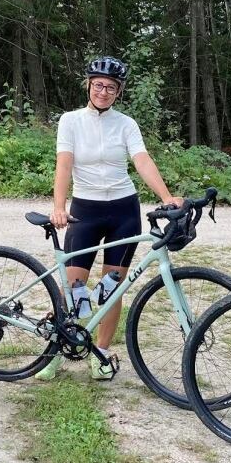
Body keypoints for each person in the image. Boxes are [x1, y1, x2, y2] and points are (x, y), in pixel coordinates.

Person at [37, 56, 182, 381]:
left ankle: (100, 351)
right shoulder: (70, 121)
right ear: (89, 85)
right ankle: (57, 351)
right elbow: (64, 163)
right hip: (83, 212)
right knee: (74, 286)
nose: (103, 91)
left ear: (118, 92)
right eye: (99, 85)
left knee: (111, 289)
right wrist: (59, 206)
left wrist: (165, 196)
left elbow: (141, 160)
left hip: (123, 211)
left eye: (111, 88)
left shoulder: (126, 124)